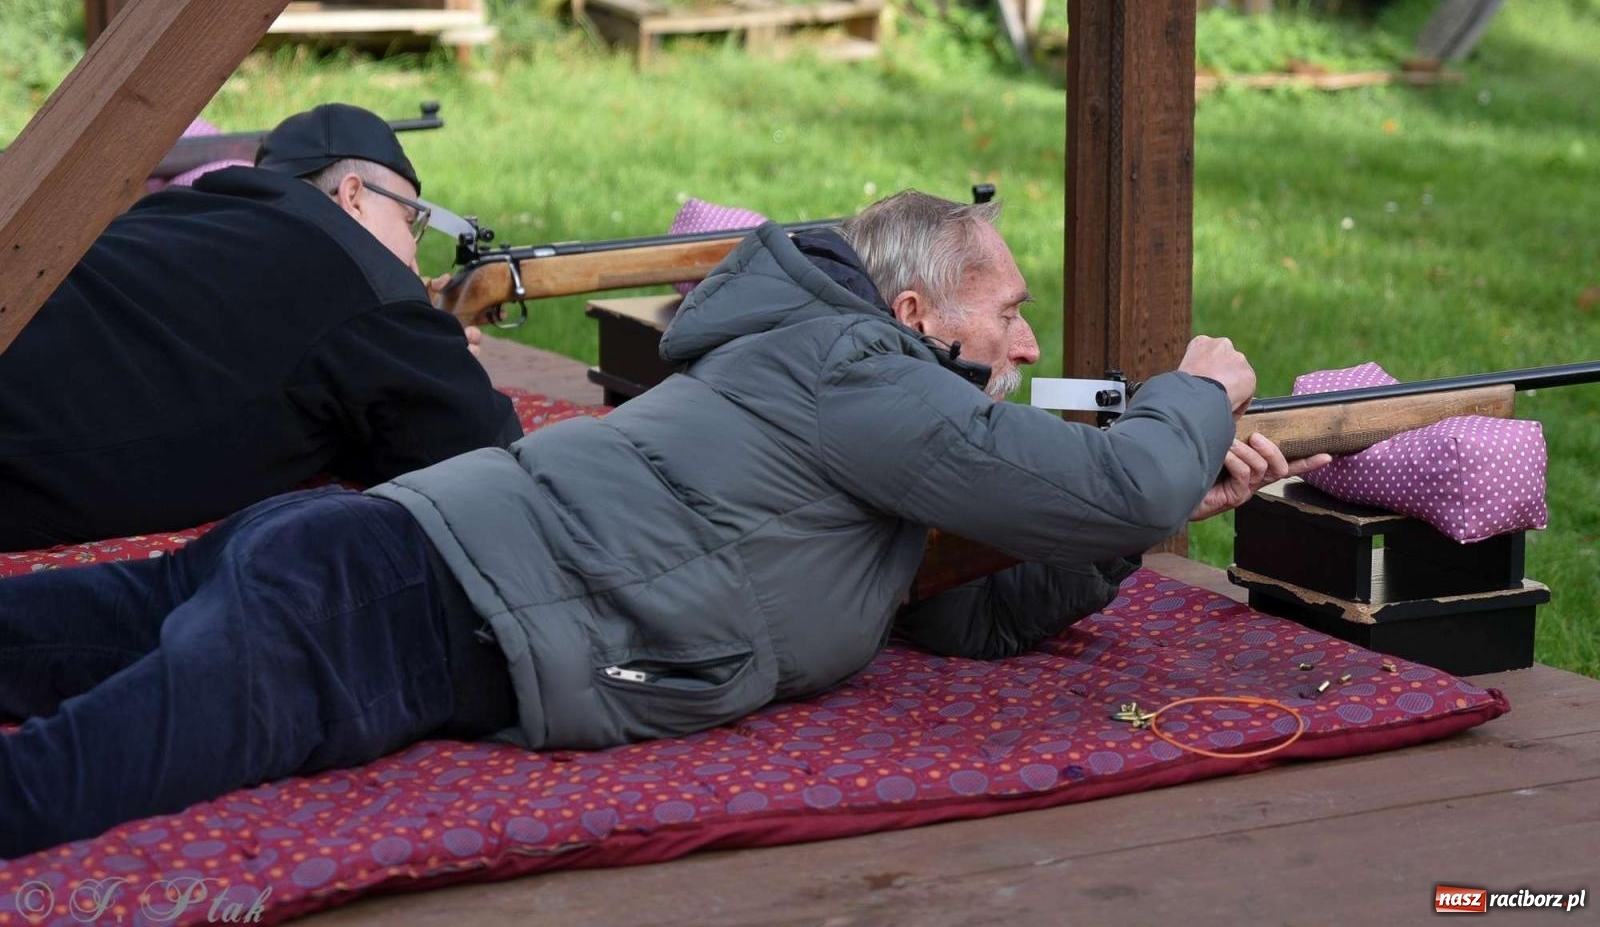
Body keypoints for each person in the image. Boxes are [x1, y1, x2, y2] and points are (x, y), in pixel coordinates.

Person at [0, 190, 1329, 857]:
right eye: (1011, 309)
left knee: (63, 639)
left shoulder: (857, 407)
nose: (1031, 340)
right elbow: (1117, 477)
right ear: (919, 318)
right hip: (394, 604)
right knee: (53, 787)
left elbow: (970, 611)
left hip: (375, 564)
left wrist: (1143, 510)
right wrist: (1194, 400)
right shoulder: (856, 376)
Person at [0, 103, 520, 550]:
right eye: (411, 222)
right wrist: (446, 356)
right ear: (354, 196)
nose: (412, 254)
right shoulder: (359, 270)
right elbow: (477, 454)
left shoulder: (179, 209)